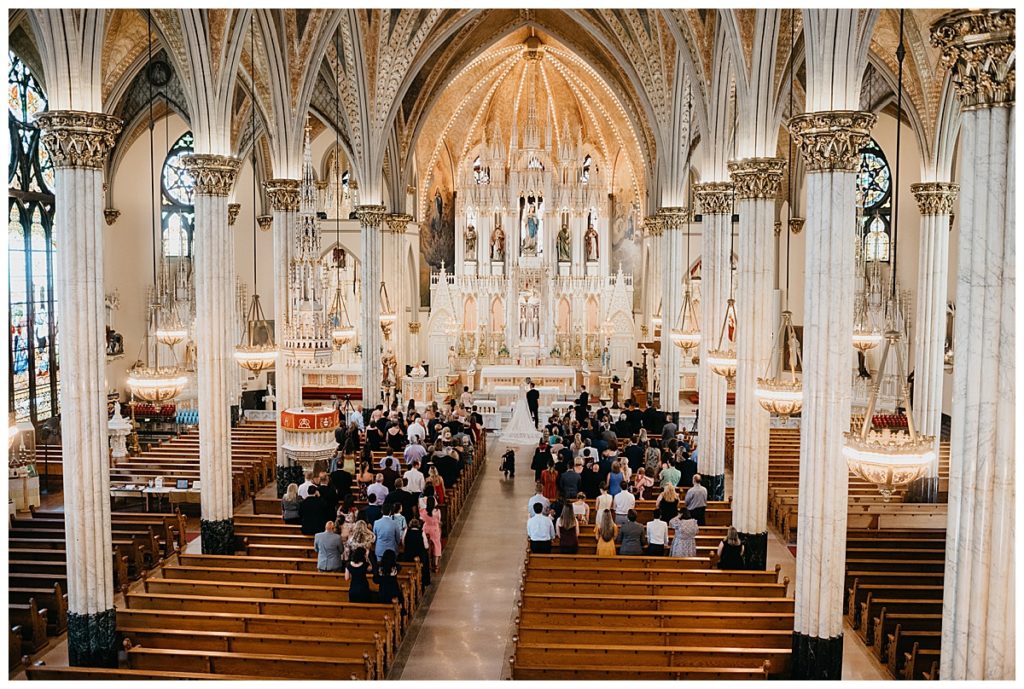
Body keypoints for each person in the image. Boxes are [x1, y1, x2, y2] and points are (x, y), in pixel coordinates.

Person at [401, 518, 431, 587]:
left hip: (409, 555)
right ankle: (424, 580)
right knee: (425, 557)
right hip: (419, 555)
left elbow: (403, 542)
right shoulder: (421, 532)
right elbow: (426, 546)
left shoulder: (406, 531)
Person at [420, 496, 443, 572]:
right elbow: (439, 520)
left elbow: (422, 519)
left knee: (425, 545)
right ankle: (436, 564)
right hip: (435, 529)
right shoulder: (437, 511)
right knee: (437, 545)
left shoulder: (423, 511)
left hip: (426, 529)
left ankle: (427, 561)